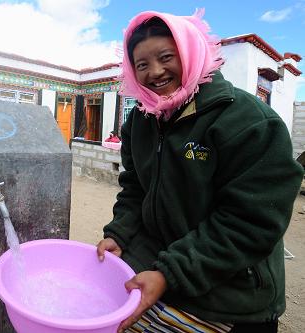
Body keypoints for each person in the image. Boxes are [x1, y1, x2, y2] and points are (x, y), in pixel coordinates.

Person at [96, 9, 303, 333]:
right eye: (142, 65)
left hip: (231, 290)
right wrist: (119, 233)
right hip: (158, 263)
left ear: (192, 53)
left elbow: (249, 223)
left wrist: (170, 273)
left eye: (166, 57)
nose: (155, 72)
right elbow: (135, 187)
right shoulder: (140, 121)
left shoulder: (249, 122)